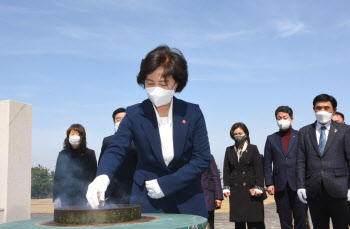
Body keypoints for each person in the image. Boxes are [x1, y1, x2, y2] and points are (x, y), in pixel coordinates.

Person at [86, 45, 211, 218]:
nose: (155, 89)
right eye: (150, 83)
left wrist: (167, 184)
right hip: (147, 201)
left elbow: (201, 158)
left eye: (163, 83)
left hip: (188, 200)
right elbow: (116, 148)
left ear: (176, 83)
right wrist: (102, 177)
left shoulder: (192, 113)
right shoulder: (134, 114)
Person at [296, 94, 350, 229]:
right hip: (314, 190)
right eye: (318, 108)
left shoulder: (345, 130)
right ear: (314, 109)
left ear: (334, 110)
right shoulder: (304, 132)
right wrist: (301, 185)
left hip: (339, 189)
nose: (322, 111)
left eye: (327, 108)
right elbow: (301, 161)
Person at [264, 106, 308, 229]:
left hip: (299, 184)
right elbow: (267, 163)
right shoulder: (271, 139)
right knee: (284, 220)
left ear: (291, 119)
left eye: (285, 117)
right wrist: (269, 183)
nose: (282, 120)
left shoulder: (301, 136)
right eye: (279, 118)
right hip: (280, 185)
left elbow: (307, 160)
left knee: (301, 219)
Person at [223, 122, 265, 229]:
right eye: (235, 134)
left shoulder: (253, 149)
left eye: (240, 133)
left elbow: (259, 170)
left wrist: (259, 186)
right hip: (236, 191)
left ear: (245, 134)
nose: (238, 136)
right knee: (239, 224)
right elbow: (226, 170)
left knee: (254, 224)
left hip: (251, 190)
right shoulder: (229, 150)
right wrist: (226, 187)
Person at [98, 107, 138, 204]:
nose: (121, 122)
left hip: (131, 188)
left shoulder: (138, 142)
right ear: (114, 122)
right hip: (111, 189)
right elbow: (101, 164)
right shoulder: (107, 141)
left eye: (124, 119)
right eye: (118, 119)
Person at [53, 124, 97, 207]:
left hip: (84, 197)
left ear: (82, 137)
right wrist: (56, 197)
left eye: (78, 134)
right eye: (72, 134)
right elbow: (58, 176)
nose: (75, 136)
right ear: (68, 136)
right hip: (65, 197)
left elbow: (93, 176)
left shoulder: (90, 153)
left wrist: (91, 196)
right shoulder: (62, 154)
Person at [201, 154, 223, 228]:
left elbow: (215, 176)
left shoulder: (208, 156)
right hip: (190, 199)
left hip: (207, 198)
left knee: (209, 225)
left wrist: (218, 197)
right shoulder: (184, 156)